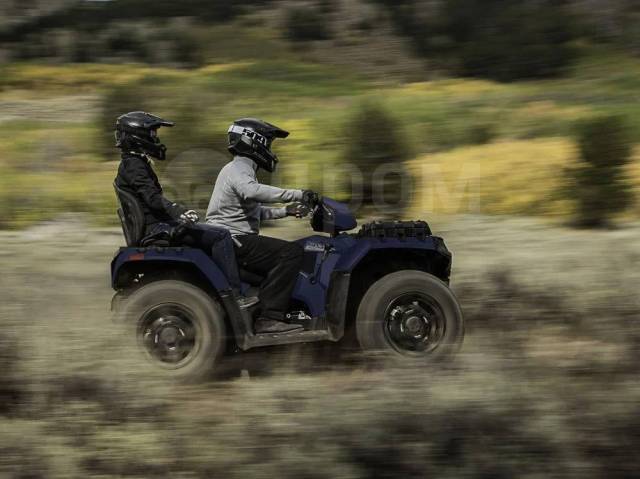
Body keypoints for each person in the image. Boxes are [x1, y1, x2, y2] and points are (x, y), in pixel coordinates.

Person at [113, 111, 257, 309]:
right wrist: (177, 211)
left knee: (209, 231)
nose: (156, 139)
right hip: (156, 229)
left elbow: (151, 200)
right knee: (221, 235)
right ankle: (235, 295)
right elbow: (152, 199)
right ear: (138, 136)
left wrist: (177, 213)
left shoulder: (133, 164)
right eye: (153, 134)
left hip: (156, 225)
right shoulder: (134, 165)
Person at [206, 118, 319, 334]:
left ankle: (262, 315)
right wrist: (297, 194)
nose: (269, 149)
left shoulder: (238, 170)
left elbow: (252, 212)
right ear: (254, 142)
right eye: (268, 143)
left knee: (275, 272)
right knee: (292, 253)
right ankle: (270, 319)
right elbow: (253, 192)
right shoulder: (239, 168)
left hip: (234, 239)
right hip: (234, 239)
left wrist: (286, 211)